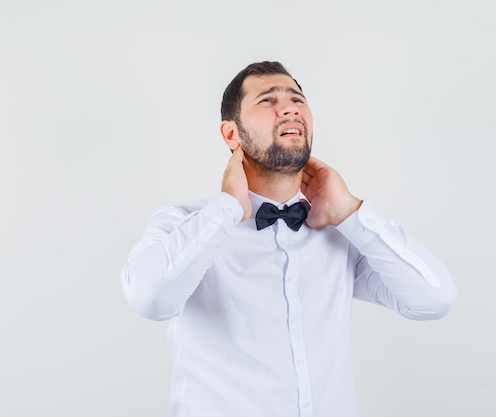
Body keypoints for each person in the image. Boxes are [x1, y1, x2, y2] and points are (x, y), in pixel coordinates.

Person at [121, 61, 456, 417]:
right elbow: (151, 300)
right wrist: (225, 210)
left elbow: (433, 299)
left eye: (297, 98)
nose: (289, 107)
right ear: (231, 135)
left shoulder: (340, 233)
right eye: (267, 100)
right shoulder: (184, 224)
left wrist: (349, 210)